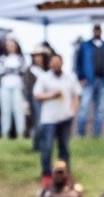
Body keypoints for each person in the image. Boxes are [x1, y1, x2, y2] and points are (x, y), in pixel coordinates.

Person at [33, 54, 81, 184]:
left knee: (64, 147)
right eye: (52, 62)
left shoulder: (70, 77)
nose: (55, 64)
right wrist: (51, 95)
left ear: (62, 63)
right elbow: (37, 95)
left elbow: (76, 95)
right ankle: (47, 174)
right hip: (49, 118)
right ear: (49, 64)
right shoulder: (44, 78)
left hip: (65, 117)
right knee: (47, 147)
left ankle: (65, 174)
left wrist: (73, 111)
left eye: (57, 62)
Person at [75, 25, 104, 137]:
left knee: (100, 109)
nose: (97, 32)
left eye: (99, 30)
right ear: (93, 31)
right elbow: (78, 63)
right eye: (95, 30)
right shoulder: (85, 46)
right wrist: (81, 77)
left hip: (103, 81)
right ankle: (80, 134)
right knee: (84, 107)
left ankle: (97, 135)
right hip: (88, 81)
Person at [0, 38, 26, 139]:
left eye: (12, 45)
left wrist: (8, 69)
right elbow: (0, 71)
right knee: (5, 111)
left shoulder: (21, 58)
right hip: (5, 86)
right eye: (8, 45)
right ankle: (5, 133)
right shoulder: (2, 58)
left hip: (17, 86)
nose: (10, 47)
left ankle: (20, 133)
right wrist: (11, 69)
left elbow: (22, 70)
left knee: (18, 110)